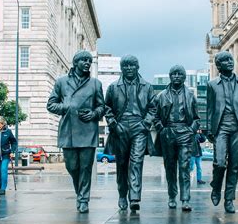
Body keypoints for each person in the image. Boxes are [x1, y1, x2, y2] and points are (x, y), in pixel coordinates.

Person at [47, 50, 105, 213]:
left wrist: (94, 114)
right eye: (84, 60)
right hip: (69, 131)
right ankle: (80, 193)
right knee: (72, 166)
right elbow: (51, 104)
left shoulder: (95, 84)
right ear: (76, 63)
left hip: (88, 130)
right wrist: (65, 107)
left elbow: (102, 106)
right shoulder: (61, 82)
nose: (87, 63)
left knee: (86, 167)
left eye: (89, 61)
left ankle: (83, 199)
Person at [207, 51, 238, 213]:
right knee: (220, 162)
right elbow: (209, 109)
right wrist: (209, 128)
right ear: (218, 66)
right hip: (221, 127)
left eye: (230, 59)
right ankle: (216, 186)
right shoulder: (212, 85)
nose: (230, 62)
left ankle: (229, 199)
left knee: (234, 166)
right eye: (225, 60)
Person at [104, 55, 156, 211]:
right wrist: (114, 124)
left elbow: (153, 108)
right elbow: (107, 108)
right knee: (121, 164)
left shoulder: (147, 87)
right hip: (120, 128)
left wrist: (145, 123)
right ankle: (122, 195)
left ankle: (134, 197)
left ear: (137, 67)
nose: (128, 68)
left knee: (136, 161)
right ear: (121, 68)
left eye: (132, 65)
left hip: (139, 128)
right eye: (125, 65)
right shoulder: (113, 87)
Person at [154, 65, 199, 211]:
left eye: (180, 74)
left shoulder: (190, 95)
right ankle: (172, 196)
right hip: (168, 132)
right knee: (170, 167)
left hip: (184, 132)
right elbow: (155, 116)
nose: (177, 76)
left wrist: (191, 130)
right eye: (174, 74)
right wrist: (161, 129)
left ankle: (185, 199)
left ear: (184, 77)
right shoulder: (161, 96)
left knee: (184, 167)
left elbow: (197, 118)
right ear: (170, 76)